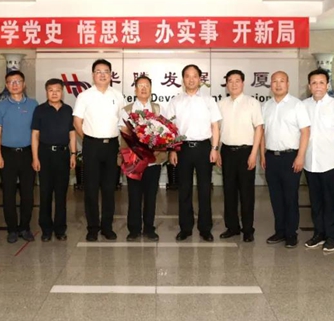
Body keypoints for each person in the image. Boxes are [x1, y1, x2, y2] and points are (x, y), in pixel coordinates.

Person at [73, 59, 126, 242]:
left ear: (111, 75)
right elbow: (77, 122)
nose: (102, 74)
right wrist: (87, 139)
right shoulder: (84, 96)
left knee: (110, 189)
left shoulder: (118, 96)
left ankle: (107, 227)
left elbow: (123, 123)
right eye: (98, 71)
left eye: (106, 71)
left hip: (112, 146)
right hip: (92, 146)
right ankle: (93, 228)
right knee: (91, 189)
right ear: (93, 75)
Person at [168, 64, 222, 242]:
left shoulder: (208, 100)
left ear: (200, 79)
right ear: (183, 79)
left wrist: (214, 148)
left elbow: (215, 126)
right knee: (184, 189)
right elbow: (170, 129)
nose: (191, 79)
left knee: (204, 189)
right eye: (187, 76)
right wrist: (173, 149)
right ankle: (185, 228)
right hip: (182, 148)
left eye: (194, 76)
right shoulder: (175, 101)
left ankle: (205, 228)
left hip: (204, 148)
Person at [260, 71, 310, 248]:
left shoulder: (297, 105)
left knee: (290, 197)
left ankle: (291, 233)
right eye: (275, 81)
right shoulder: (266, 106)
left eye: (282, 81)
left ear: (288, 84)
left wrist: (300, 156)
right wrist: (262, 155)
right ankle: (279, 231)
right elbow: (262, 133)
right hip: (271, 157)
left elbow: (305, 132)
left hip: (291, 157)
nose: (278, 84)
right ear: (270, 85)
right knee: (275, 197)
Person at [303, 68, 334, 252]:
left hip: (329, 162)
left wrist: (332, 147)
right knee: (315, 201)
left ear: (327, 85)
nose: (318, 86)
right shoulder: (303, 106)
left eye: (321, 83)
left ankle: (332, 236)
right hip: (310, 161)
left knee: (329, 201)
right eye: (314, 83)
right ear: (309, 86)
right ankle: (319, 233)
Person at [217, 70, 263, 242]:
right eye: (230, 81)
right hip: (227, 152)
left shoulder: (252, 103)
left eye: (237, 80)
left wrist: (254, 154)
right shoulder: (221, 104)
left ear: (243, 83)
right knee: (228, 191)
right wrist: (218, 150)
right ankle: (232, 227)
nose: (234, 84)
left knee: (246, 193)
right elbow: (217, 130)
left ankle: (248, 229)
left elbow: (259, 128)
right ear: (226, 84)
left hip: (246, 152)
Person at [0, 70, 39, 244]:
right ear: (6, 85)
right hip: (7, 154)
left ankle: (25, 227)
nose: (14, 85)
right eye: (11, 82)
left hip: (27, 153)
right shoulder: (1, 106)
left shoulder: (34, 104)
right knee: (8, 194)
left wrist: (35, 157)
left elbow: (36, 133)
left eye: (18, 81)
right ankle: (12, 229)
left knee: (28, 194)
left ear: (24, 84)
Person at [119, 75, 165, 242]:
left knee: (151, 196)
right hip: (134, 161)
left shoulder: (158, 109)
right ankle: (134, 229)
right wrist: (135, 150)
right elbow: (124, 133)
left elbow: (165, 133)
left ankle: (149, 228)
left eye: (146, 85)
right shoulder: (126, 110)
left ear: (151, 89)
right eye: (140, 85)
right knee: (134, 195)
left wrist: (156, 149)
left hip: (154, 160)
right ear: (135, 90)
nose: (143, 88)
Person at [32, 78, 76, 242]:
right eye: (51, 90)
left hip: (63, 155)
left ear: (62, 92)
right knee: (45, 193)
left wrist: (73, 154)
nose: (54, 93)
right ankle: (46, 229)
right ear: (46, 92)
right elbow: (35, 135)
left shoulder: (68, 110)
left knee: (61, 194)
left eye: (57, 90)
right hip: (45, 155)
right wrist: (35, 157)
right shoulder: (40, 110)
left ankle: (60, 229)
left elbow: (72, 134)